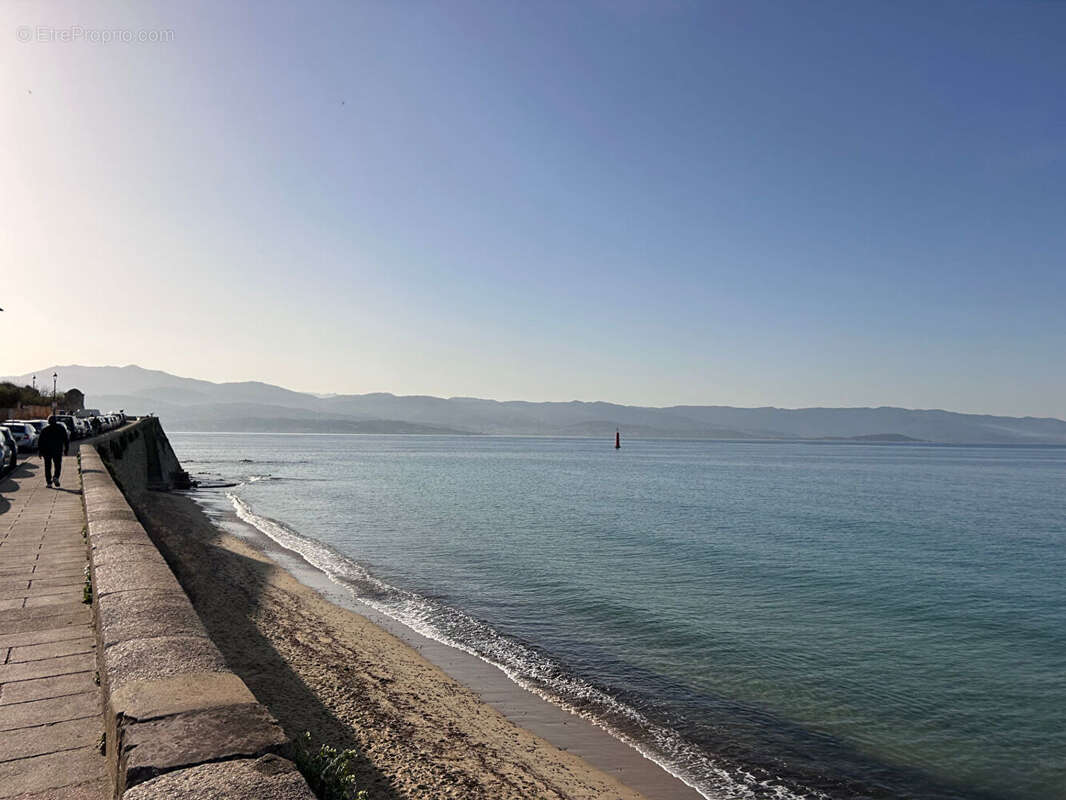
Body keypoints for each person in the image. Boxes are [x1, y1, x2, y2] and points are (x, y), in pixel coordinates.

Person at [38, 415, 70, 488]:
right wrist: (66, 449)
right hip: (57, 450)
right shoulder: (61, 428)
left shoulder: (45, 430)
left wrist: (40, 452)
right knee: (58, 465)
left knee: (47, 467)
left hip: (47, 451)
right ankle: (56, 477)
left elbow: (40, 442)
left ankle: (49, 482)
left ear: (48, 422)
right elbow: (66, 440)